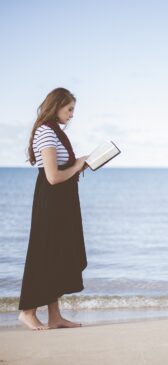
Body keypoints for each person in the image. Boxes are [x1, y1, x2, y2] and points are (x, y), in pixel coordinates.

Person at [18, 87, 89, 330]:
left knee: (56, 256)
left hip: (62, 202)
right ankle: (27, 311)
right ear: (57, 106)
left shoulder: (53, 132)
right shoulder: (46, 132)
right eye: (69, 109)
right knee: (43, 254)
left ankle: (55, 316)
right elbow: (53, 177)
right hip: (51, 201)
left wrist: (81, 163)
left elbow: (60, 170)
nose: (71, 115)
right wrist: (78, 165)